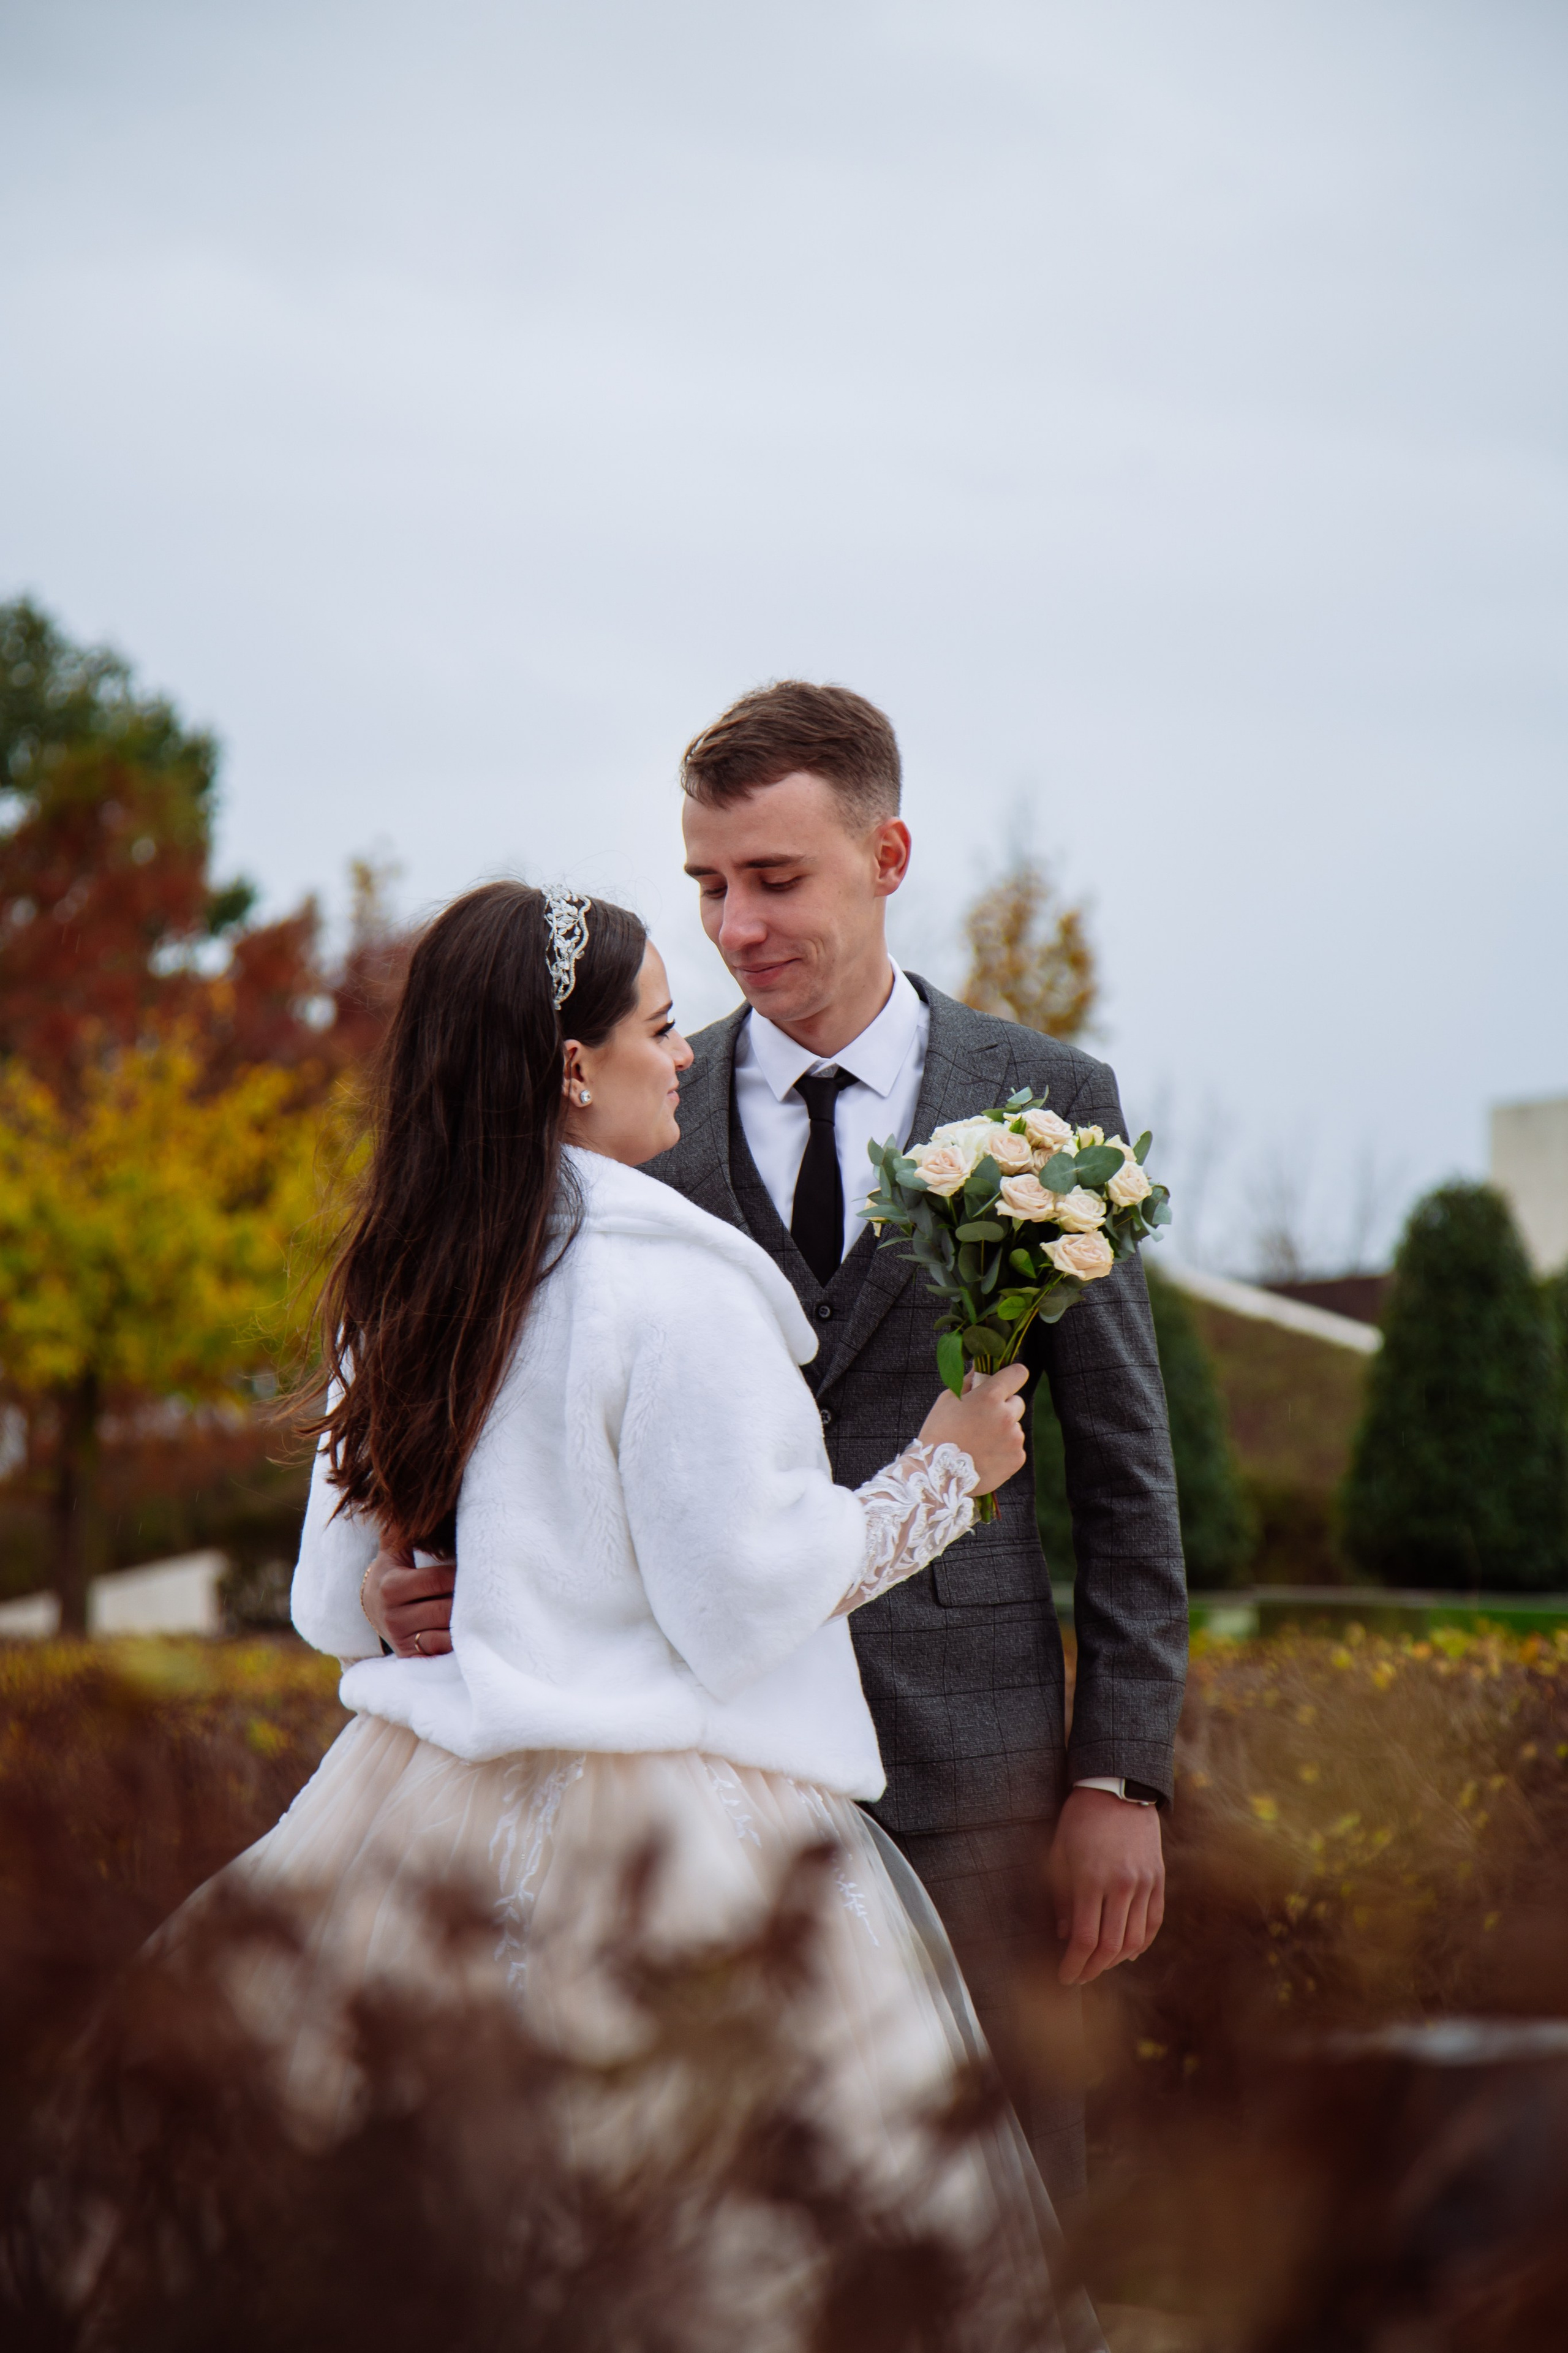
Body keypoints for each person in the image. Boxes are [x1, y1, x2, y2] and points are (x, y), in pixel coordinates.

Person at [181, 879, 1095, 2346]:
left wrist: (383, 1592)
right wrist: (945, 1473)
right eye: (660, 1029)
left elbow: (326, 1599)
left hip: (419, 1820)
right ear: (569, 1067)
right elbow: (745, 1597)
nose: (685, 1054)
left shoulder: (410, 1273)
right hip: (678, 1846)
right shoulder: (670, 1288)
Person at [363, 685, 1188, 2206]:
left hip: (974, 1767)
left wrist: (1120, 1778)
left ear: (886, 854)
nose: (735, 924)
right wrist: (417, 1576)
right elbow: (527, 1406)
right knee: (715, 2201)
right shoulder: (632, 1105)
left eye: (775, 878)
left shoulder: (1045, 1103)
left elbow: (1127, 1473)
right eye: (706, 884)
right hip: (691, 1768)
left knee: (994, 2193)